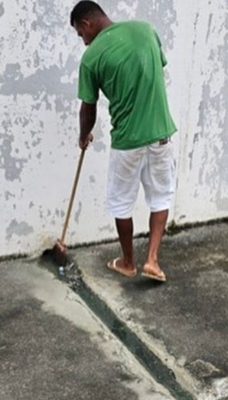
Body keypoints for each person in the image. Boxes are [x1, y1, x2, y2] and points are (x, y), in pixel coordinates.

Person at [71, 1, 177, 282]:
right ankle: (152, 260)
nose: (83, 42)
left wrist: (84, 136)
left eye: (80, 35)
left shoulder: (92, 57)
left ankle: (128, 262)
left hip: (127, 140)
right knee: (161, 196)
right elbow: (159, 71)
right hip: (161, 133)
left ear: (86, 24)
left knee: (120, 203)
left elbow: (88, 108)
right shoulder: (146, 31)